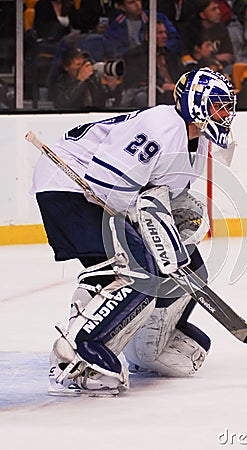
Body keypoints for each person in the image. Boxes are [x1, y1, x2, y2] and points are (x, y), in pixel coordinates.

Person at [31, 67, 236, 396]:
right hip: (68, 185)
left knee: (189, 266)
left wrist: (169, 224)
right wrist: (148, 227)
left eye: (228, 106)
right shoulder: (161, 127)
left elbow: (159, 196)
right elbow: (106, 188)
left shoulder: (198, 146)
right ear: (197, 104)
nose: (226, 114)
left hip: (95, 192)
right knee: (139, 269)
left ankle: (147, 346)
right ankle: (80, 350)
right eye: (218, 105)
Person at [120, 20, 183, 107]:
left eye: (165, 33)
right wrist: (162, 85)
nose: (164, 36)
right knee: (142, 98)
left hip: (173, 92)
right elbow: (138, 78)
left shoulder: (171, 56)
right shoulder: (135, 55)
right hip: (151, 92)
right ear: (147, 36)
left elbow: (180, 73)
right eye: (160, 33)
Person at [104, 0, 181, 59]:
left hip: (158, 58)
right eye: (132, 2)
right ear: (122, 7)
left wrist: (162, 50)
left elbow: (174, 39)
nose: (138, 5)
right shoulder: (115, 26)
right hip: (131, 63)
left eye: (138, 0)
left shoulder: (157, 17)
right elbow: (114, 51)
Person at [183, 0, 234, 71]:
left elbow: (229, 56)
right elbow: (190, 56)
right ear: (202, 15)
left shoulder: (222, 29)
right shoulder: (191, 31)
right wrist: (216, 57)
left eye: (217, 8)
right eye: (213, 9)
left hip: (220, 68)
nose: (218, 12)